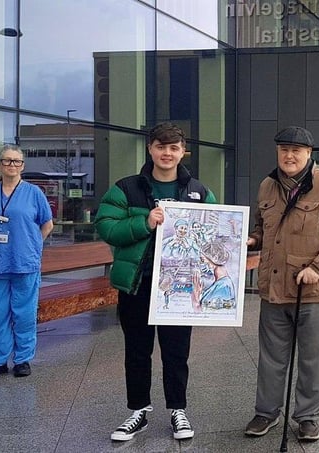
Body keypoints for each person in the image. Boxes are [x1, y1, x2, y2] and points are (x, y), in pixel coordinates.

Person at [94, 122, 216, 443]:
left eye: (173, 147)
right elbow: (106, 226)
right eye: (161, 146)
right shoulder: (126, 187)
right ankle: (139, 410)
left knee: (177, 352)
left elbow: (216, 231)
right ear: (150, 149)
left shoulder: (198, 191)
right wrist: (144, 222)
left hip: (179, 288)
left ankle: (178, 409)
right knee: (137, 351)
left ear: (182, 151)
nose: (167, 153)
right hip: (138, 284)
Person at [244, 126, 319, 441]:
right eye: (284, 150)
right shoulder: (267, 186)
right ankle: (265, 412)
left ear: (309, 154)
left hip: (313, 291)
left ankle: (307, 417)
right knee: (271, 357)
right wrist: (252, 239)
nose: (289, 156)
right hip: (274, 288)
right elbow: (263, 228)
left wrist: (317, 268)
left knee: (312, 358)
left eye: (296, 150)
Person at [0, 144, 54, 379]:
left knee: (24, 314)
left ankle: (23, 359)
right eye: (7, 161)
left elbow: (47, 224)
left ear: (22, 166)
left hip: (23, 261)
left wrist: (32, 244)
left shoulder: (34, 193)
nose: (11, 165)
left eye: (16, 161)